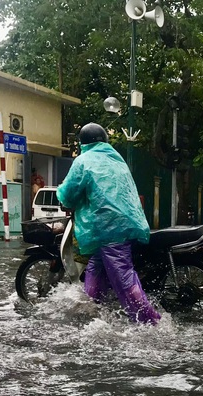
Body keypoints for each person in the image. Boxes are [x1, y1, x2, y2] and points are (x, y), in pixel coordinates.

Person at [56, 122, 161, 325]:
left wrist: (65, 200)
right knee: (96, 267)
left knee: (123, 277)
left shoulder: (83, 161)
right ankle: (92, 311)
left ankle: (150, 322)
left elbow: (69, 192)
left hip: (108, 229)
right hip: (130, 223)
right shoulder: (117, 158)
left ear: (83, 143)